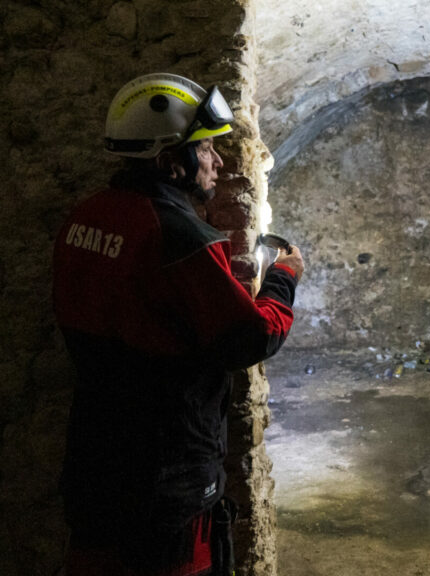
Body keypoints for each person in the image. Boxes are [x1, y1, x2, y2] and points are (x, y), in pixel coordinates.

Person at [53, 73, 304, 576]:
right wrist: (283, 279)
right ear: (171, 162)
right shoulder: (181, 237)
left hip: (96, 461)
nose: (218, 161)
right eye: (206, 149)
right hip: (165, 475)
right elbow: (252, 336)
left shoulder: (87, 217)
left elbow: (130, 305)